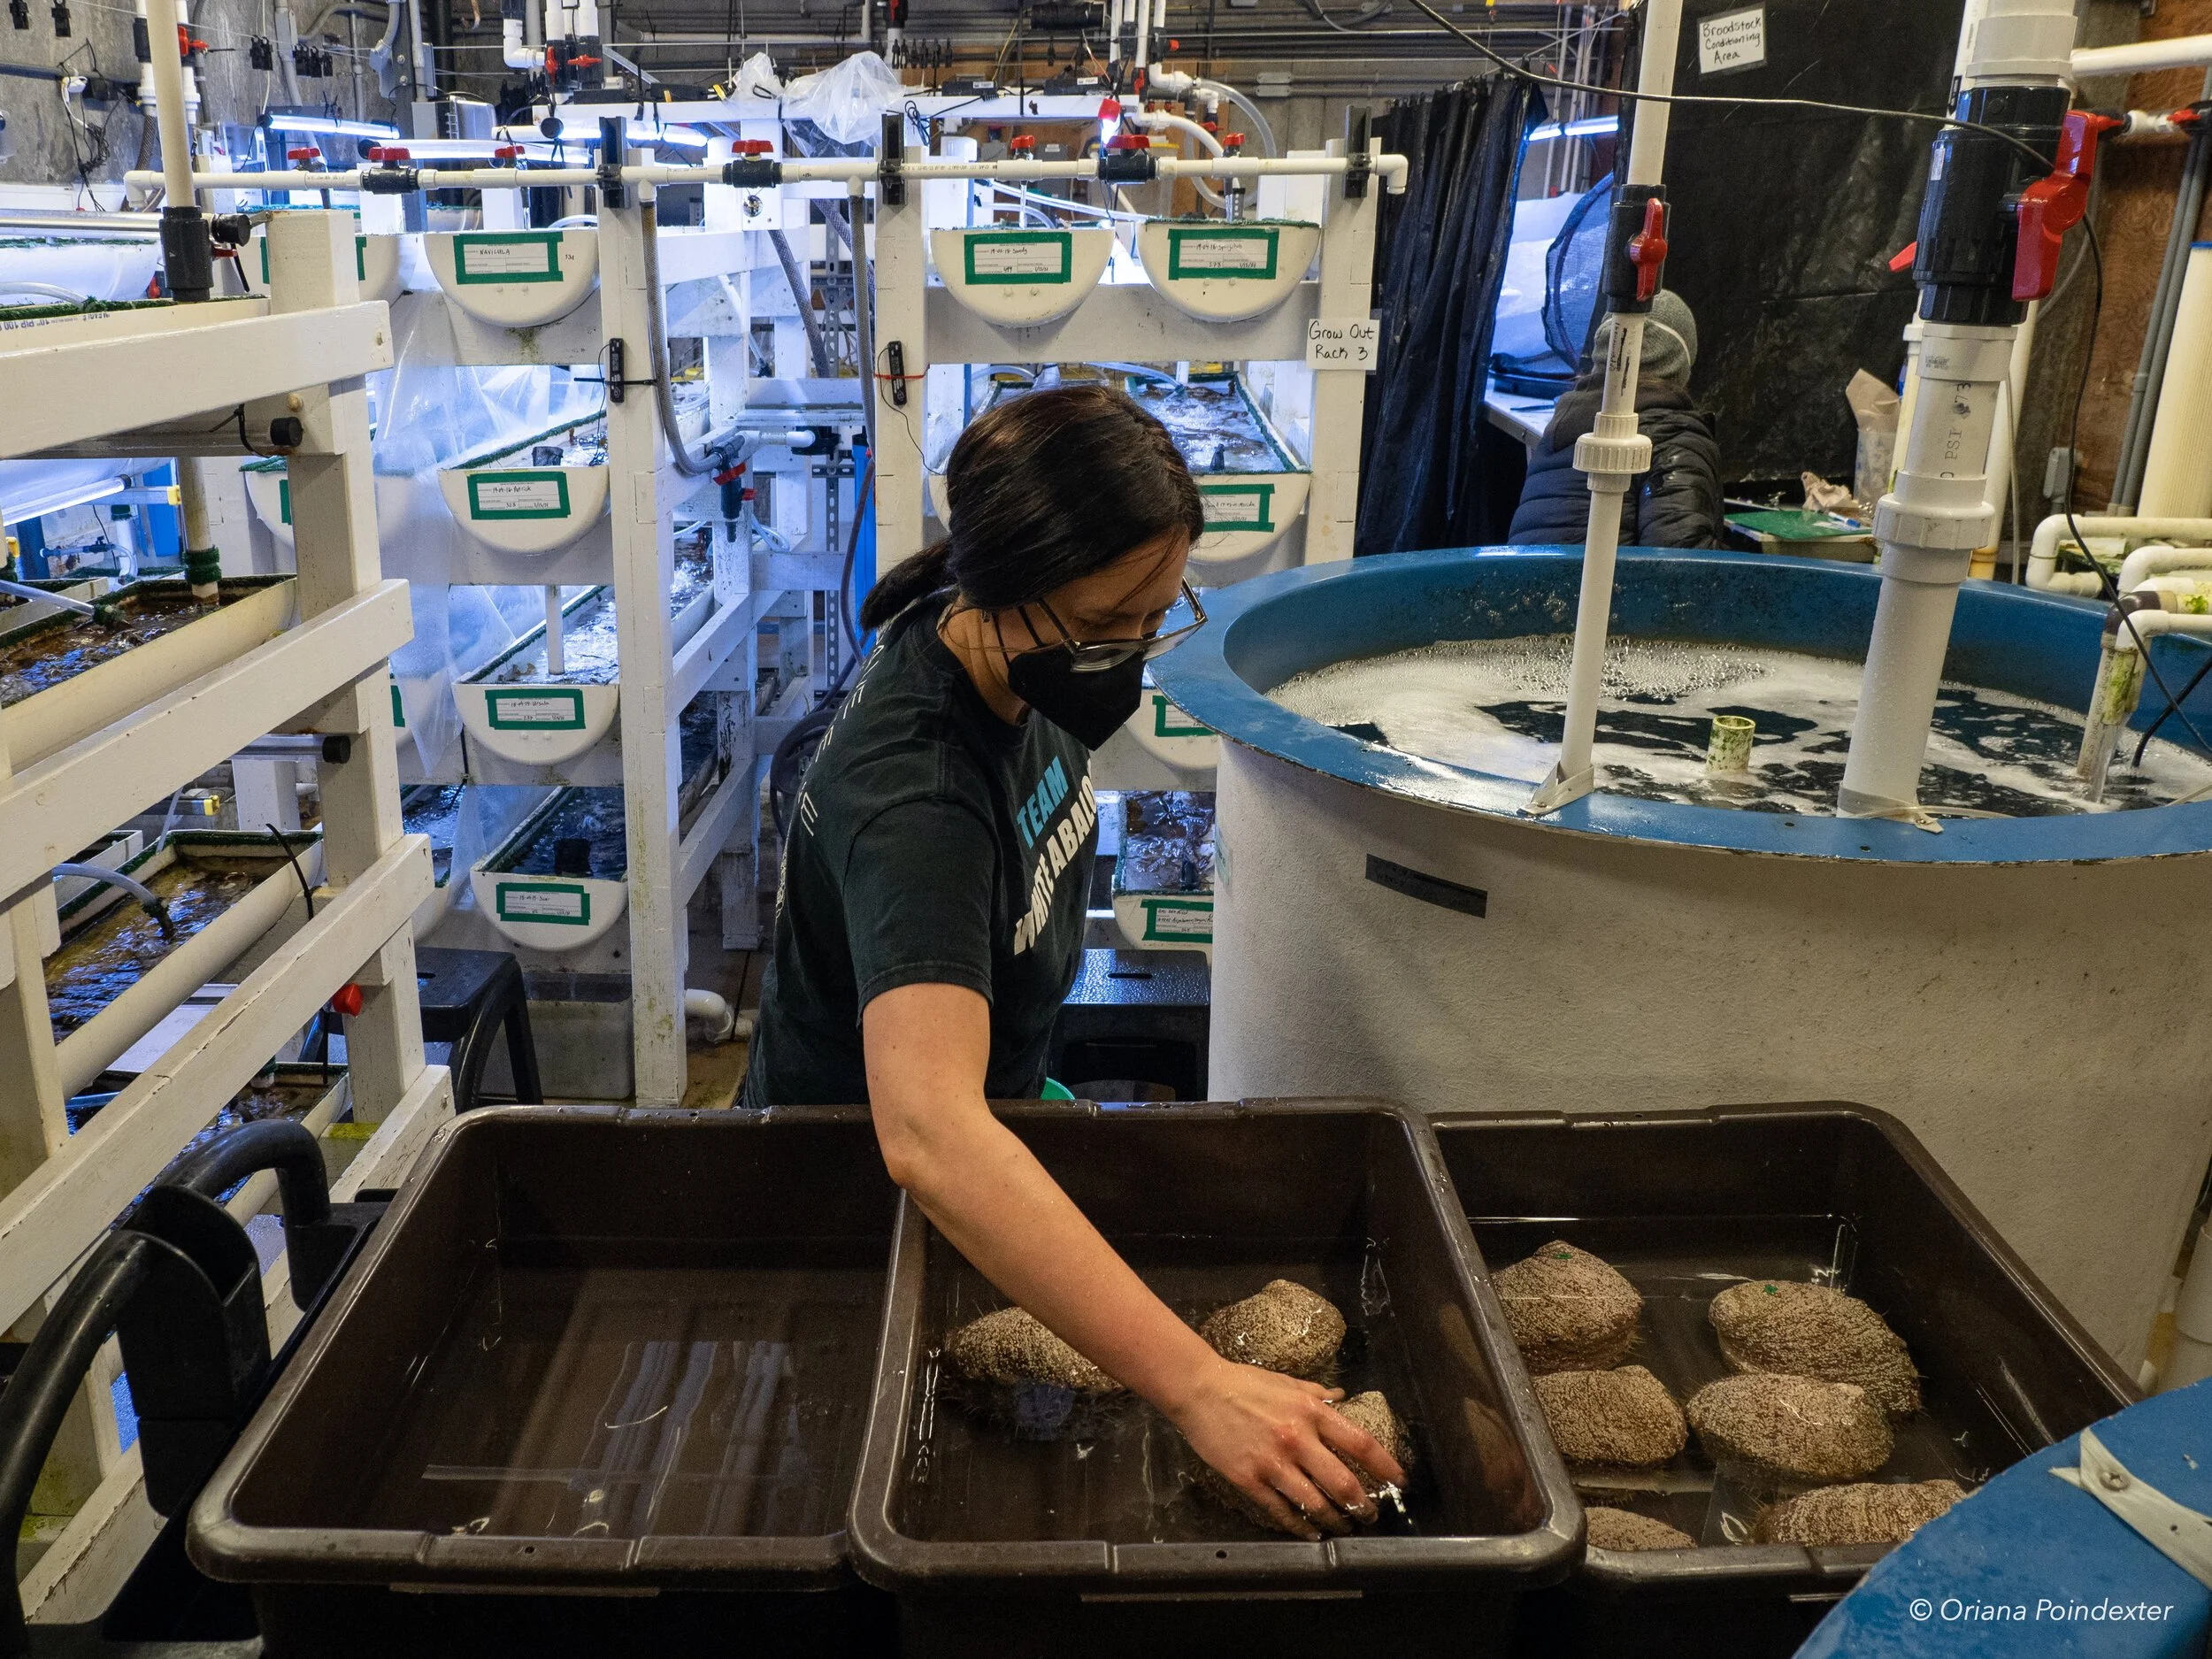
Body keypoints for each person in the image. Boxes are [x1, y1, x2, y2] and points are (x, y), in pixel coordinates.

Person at [742, 384, 1402, 1537]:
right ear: (1001, 591)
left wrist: (1028, 1090)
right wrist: (1200, 1385)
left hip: (967, 1135)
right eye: (1110, 619)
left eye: (1159, 609)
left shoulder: (1020, 659)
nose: (1134, 646)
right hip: (842, 1211)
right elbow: (930, 1135)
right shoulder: (916, 799)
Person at [1506, 288, 1727, 549]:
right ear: (1679, 363)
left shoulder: (1564, 426)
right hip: (1605, 590)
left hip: (1531, 588)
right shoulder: (1672, 436)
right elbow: (1681, 568)